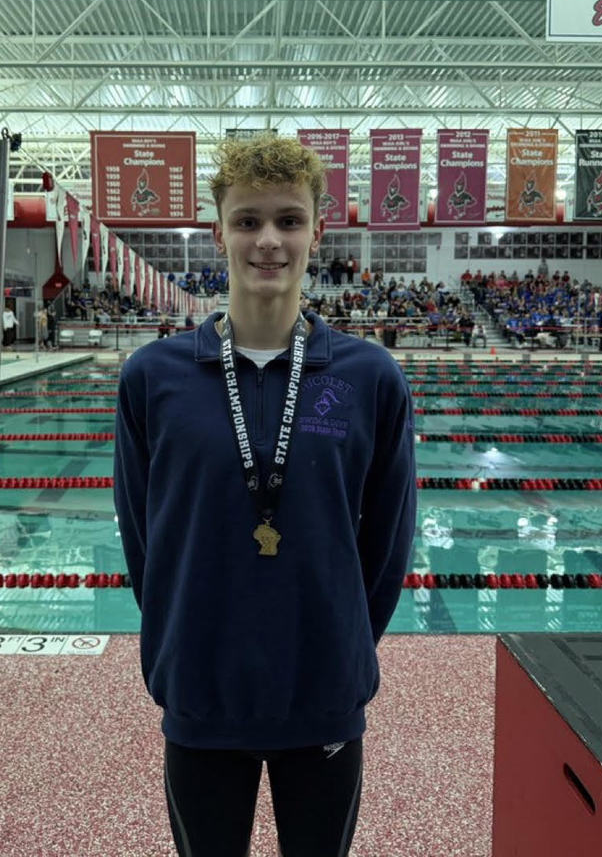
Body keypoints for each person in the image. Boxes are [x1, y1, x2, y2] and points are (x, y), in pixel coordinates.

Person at [114, 135, 416, 857]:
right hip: (201, 692)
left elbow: (389, 542)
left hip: (322, 693)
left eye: (289, 220)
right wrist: (177, 647)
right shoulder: (153, 377)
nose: (269, 241)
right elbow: (140, 539)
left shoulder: (371, 377)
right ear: (219, 231)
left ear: (318, 229)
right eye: (248, 221)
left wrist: (341, 645)